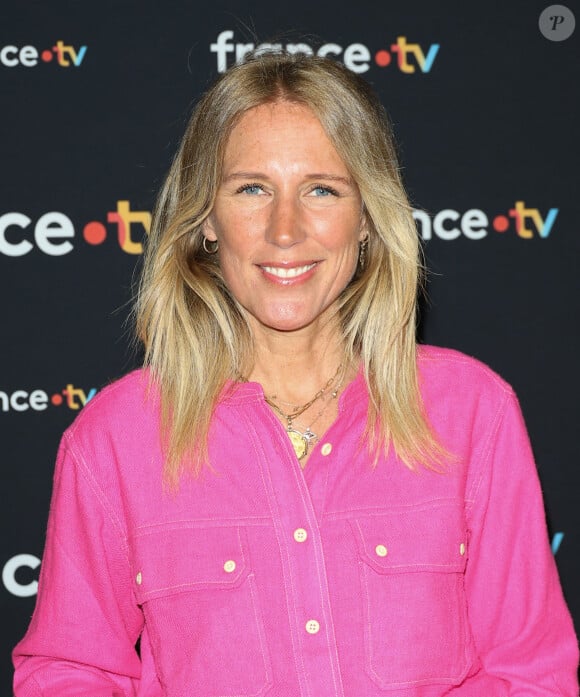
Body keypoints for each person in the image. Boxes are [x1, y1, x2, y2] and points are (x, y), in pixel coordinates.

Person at [12, 51, 579, 696]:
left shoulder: (472, 413)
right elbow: (68, 674)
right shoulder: (115, 439)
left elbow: (532, 676)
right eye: (252, 188)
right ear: (204, 221)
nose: (286, 230)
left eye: (322, 189)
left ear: (366, 219)